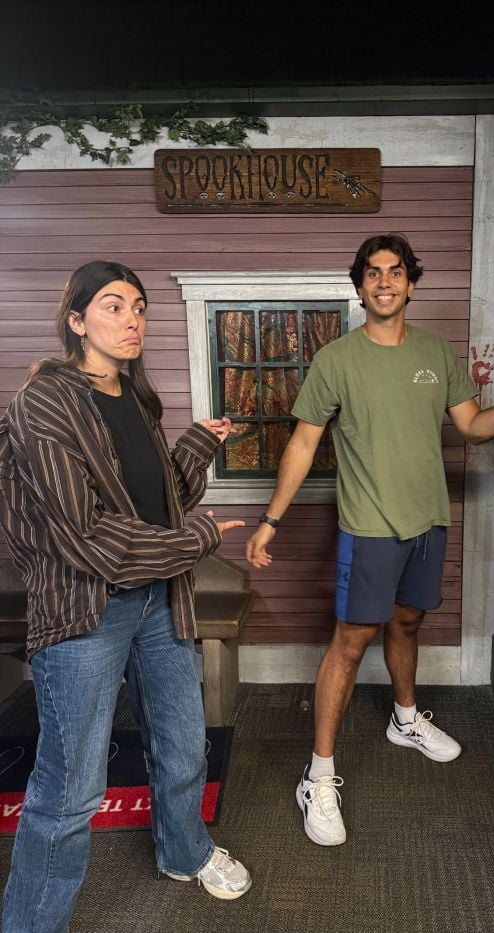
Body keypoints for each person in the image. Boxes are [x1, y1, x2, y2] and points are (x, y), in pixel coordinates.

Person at [245, 233, 494, 847]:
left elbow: (473, 428)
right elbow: (304, 443)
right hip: (369, 526)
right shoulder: (336, 360)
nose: (384, 281)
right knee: (351, 641)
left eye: (395, 272)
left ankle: (405, 720)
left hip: (427, 521)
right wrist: (270, 520)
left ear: (411, 284)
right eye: (373, 273)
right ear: (360, 287)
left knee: (408, 621)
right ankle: (319, 775)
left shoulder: (436, 353)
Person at [0, 261, 251, 933]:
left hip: (158, 601)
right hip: (87, 610)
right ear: (77, 321)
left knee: (184, 744)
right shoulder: (45, 402)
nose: (132, 318)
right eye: (113, 306)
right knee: (69, 788)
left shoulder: (135, 400)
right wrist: (196, 541)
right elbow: (84, 532)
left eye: (139, 307)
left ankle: (185, 851)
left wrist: (196, 444)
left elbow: (157, 503)